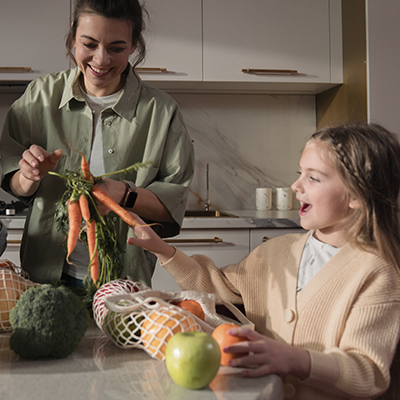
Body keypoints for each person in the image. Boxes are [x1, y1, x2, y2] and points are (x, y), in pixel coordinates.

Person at [126, 123, 400, 399]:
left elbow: (369, 373)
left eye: (313, 178)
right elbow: (218, 285)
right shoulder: (277, 252)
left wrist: (296, 359)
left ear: (355, 195)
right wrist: (162, 249)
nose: (296, 185)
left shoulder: (378, 272)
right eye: (299, 173)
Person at [0, 0, 194, 287]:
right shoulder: (40, 96)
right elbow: (14, 184)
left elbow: (172, 205)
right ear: (73, 38)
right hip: (44, 274)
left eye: (116, 48)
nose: (101, 60)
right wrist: (28, 176)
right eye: (89, 44)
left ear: (133, 46)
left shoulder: (161, 112)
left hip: (125, 279)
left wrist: (123, 194)